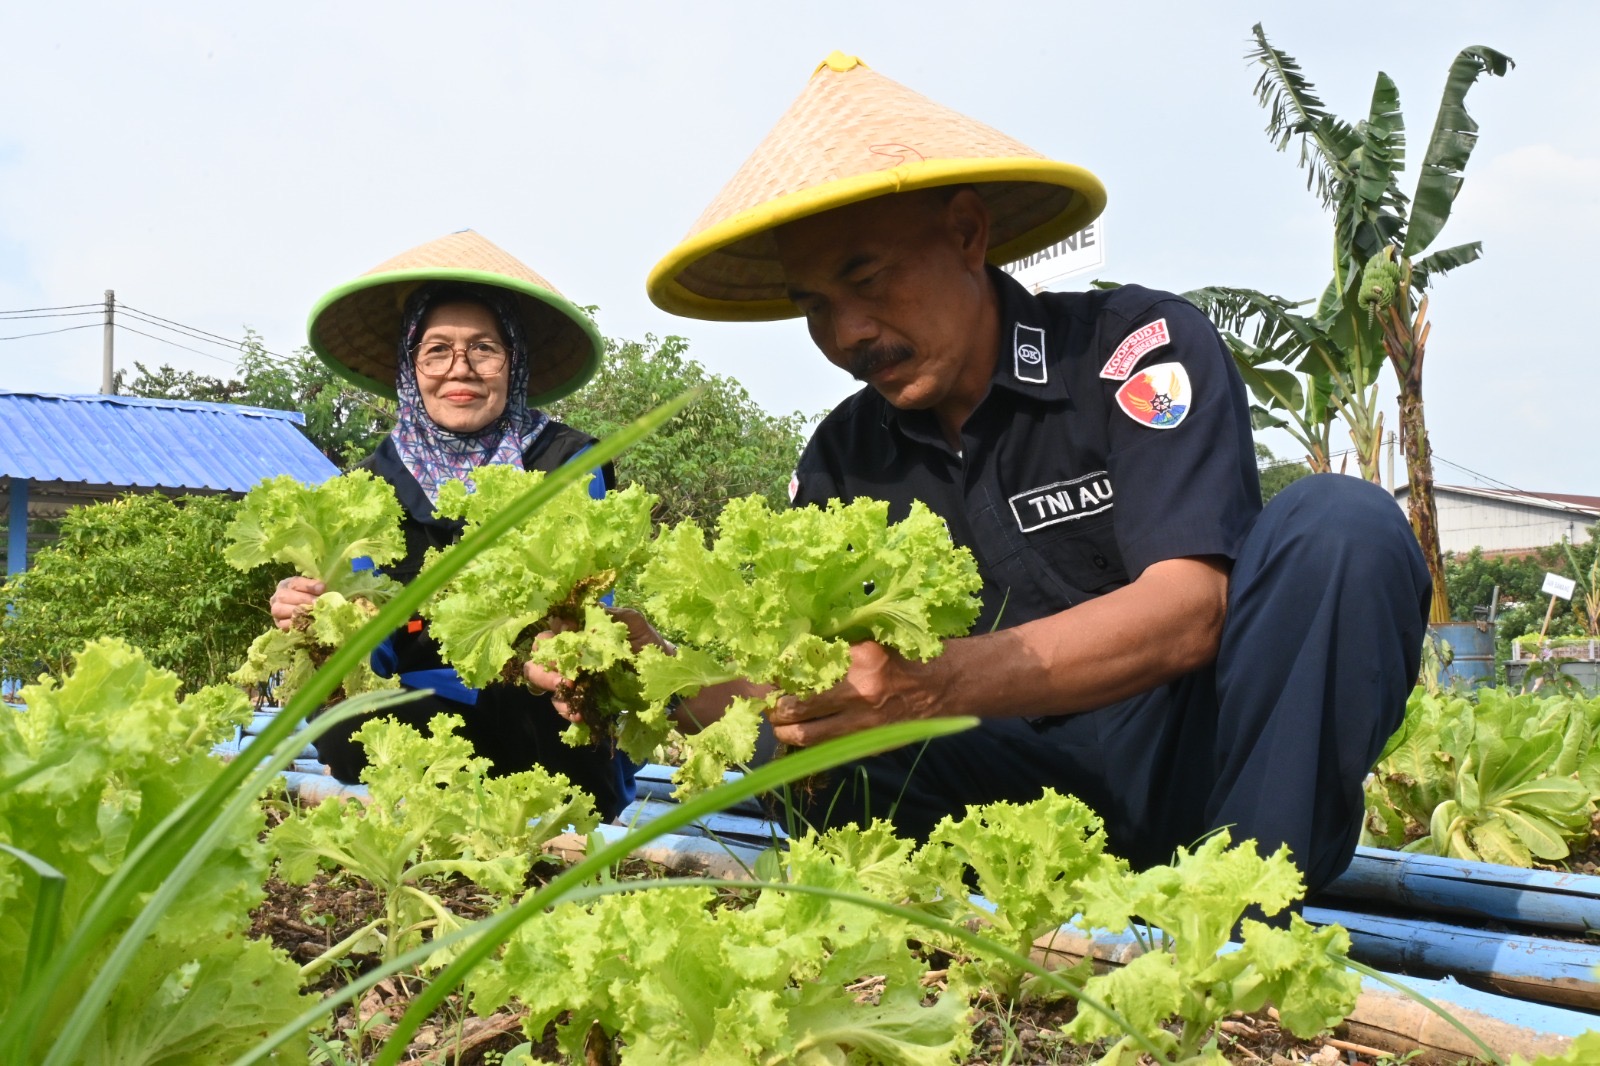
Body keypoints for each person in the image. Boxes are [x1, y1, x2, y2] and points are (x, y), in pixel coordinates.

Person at [635, 53, 1430, 894]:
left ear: (968, 234)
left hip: (1198, 767)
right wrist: (657, 678)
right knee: (806, 745)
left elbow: (1191, 609)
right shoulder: (843, 454)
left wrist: (934, 681)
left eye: (866, 278)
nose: (849, 332)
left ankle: (1248, 914)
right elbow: (828, 689)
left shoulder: (1131, 353)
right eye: (815, 306)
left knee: (1344, 527)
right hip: (998, 791)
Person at [274, 229, 634, 820]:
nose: (459, 369)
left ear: (512, 362)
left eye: (484, 349)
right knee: (341, 715)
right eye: (436, 349)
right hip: (423, 710)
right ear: (409, 366)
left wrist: (549, 652)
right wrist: (320, 616)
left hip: (536, 702)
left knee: (548, 708)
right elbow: (375, 654)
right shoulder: (370, 483)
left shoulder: (568, 462)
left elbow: (594, 609)